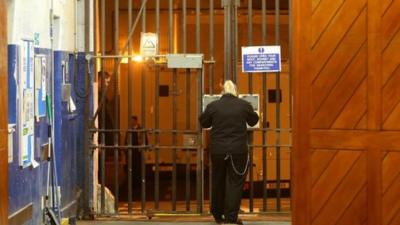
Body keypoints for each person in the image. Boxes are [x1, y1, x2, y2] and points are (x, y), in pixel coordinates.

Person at [199, 80, 259, 225]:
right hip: (238, 150)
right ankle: (231, 216)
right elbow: (253, 121)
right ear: (235, 91)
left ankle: (218, 215)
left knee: (218, 182)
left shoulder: (213, 106)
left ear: (222, 92)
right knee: (235, 183)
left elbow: (203, 122)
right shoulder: (243, 105)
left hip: (218, 151)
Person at [125, 115, 147, 193]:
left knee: (138, 168)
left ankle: (139, 185)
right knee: (131, 169)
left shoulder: (141, 130)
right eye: (131, 121)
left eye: (133, 121)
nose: (131, 122)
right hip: (131, 152)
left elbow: (145, 141)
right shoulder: (129, 130)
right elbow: (126, 142)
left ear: (136, 121)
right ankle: (132, 185)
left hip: (138, 152)